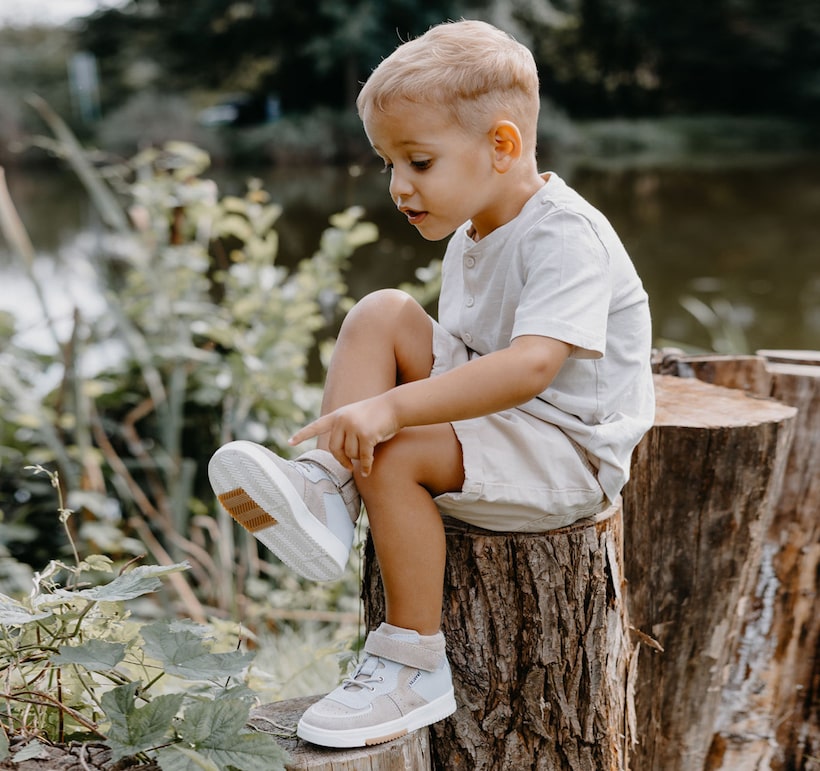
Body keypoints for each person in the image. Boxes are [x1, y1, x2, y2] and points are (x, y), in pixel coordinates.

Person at [208, 19, 655, 749]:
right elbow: (472, 356)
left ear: (502, 146)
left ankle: (412, 660)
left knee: (398, 448)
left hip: (568, 453)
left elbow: (531, 366)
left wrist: (389, 408)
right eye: (388, 162)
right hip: (512, 423)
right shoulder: (475, 229)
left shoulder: (565, 234)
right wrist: (386, 402)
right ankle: (325, 489)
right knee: (379, 312)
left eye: (418, 161)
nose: (398, 186)